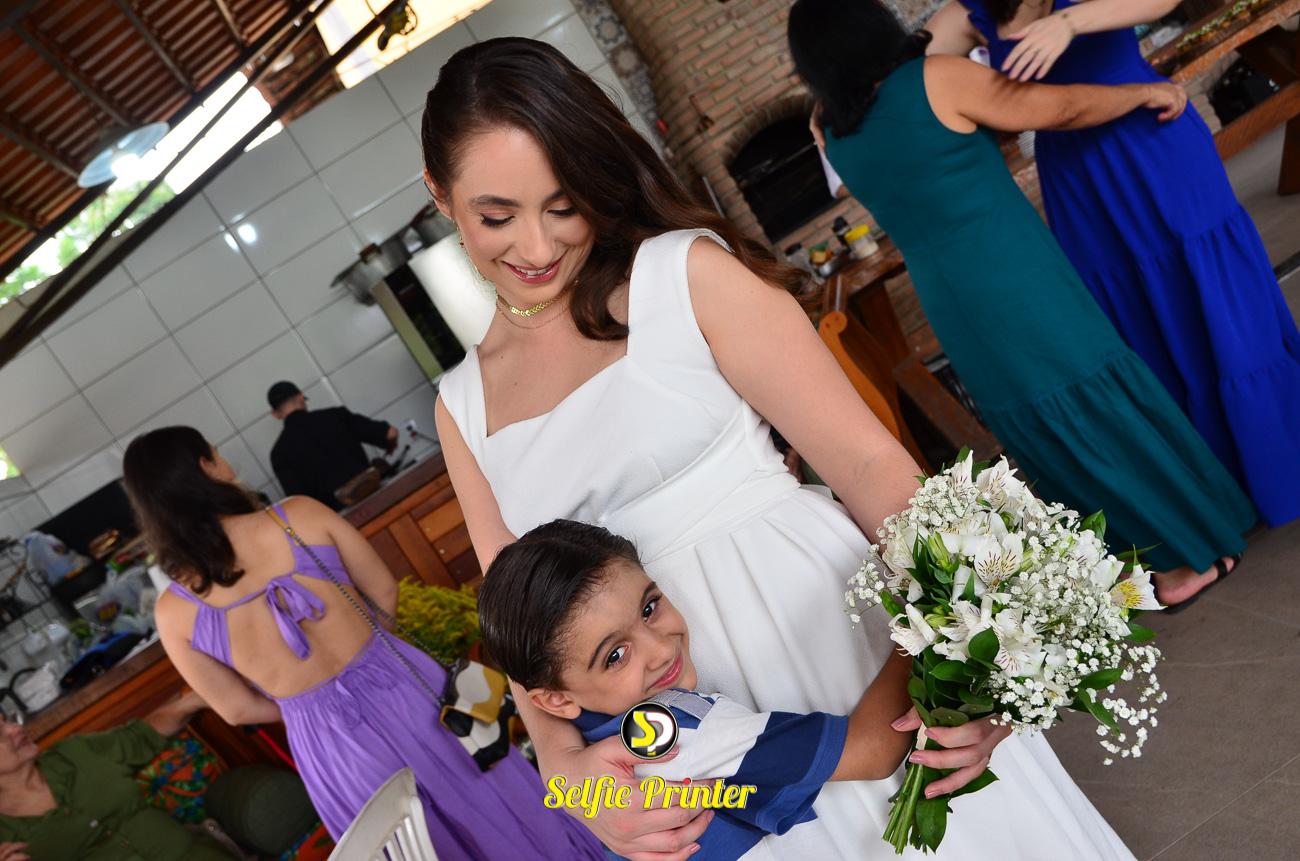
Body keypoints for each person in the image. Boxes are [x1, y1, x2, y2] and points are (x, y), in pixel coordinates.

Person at [425, 37, 1130, 860]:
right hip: (674, 723)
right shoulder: (461, 406)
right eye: (497, 216)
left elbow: (869, 464)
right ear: (441, 195)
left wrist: (974, 658)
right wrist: (575, 781)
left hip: (826, 629)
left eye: (563, 204)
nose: (538, 248)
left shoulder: (684, 275)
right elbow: (521, 632)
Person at [790, 0, 1257, 611]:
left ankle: (1145, 559)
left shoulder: (832, 129)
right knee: (1088, 392)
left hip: (949, 300)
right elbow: (1058, 109)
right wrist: (1144, 92)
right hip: (1012, 273)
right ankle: (1179, 561)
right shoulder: (933, 79)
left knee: (1043, 422)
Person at [122, 426, 604, 860]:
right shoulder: (299, 516)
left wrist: (304, 707)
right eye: (215, 452)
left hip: (326, 743)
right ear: (206, 467)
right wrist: (367, 655)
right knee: (493, 793)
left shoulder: (174, 612)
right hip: (402, 684)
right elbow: (384, 592)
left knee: (408, 842)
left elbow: (236, 710)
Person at [924, 0, 1300, 528]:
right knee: (1137, 314)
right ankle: (1214, 489)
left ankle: (1280, 460)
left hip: (1153, 143)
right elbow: (901, 79)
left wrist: (1068, 21)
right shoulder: (968, 14)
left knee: (1218, 295)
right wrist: (828, 108)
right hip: (1077, 179)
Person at [479, 520, 917, 860]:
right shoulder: (672, 733)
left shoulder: (597, 755)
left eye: (649, 608)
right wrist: (923, 633)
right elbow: (873, 749)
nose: (659, 649)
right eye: (616, 655)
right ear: (555, 699)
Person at [0, 691, 235, 861]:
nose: (15, 729)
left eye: (7, 721)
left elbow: (141, 735)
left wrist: (193, 700)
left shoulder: (74, 753)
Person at [266, 380, 398, 510]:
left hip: (341, 518)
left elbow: (299, 503)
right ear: (301, 397)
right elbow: (391, 433)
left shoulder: (279, 454)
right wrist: (390, 445)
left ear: (275, 414)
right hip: (377, 501)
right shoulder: (336, 416)